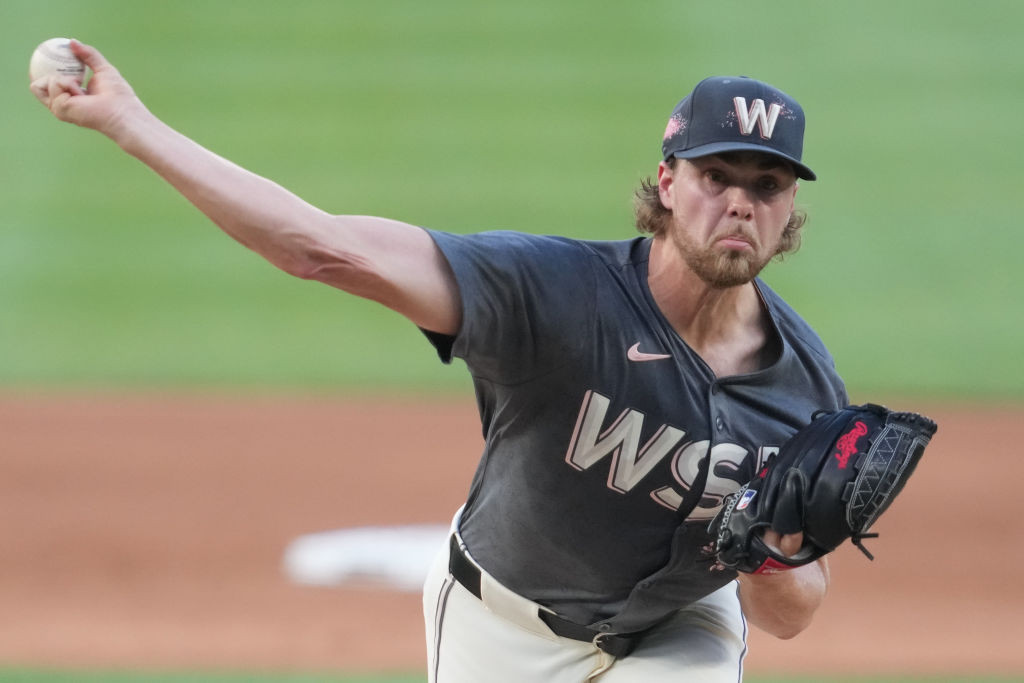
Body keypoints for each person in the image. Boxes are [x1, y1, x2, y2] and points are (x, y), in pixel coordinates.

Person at [32, 41, 845, 682]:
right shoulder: (553, 294)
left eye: (767, 184)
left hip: (680, 629)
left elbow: (793, 612)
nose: (740, 201)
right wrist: (129, 122)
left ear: (788, 211)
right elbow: (324, 249)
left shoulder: (807, 391)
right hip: (501, 624)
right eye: (717, 175)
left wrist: (768, 553)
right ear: (668, 183)